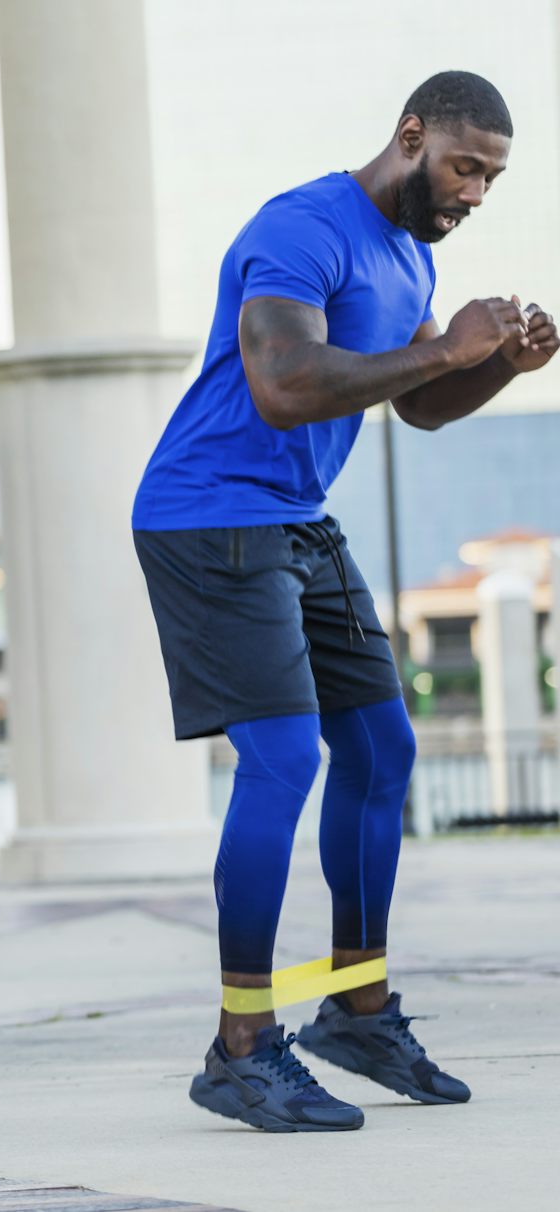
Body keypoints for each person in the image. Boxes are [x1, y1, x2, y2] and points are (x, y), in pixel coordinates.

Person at [132, 70, 553, 1133]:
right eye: (465, 166)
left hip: (295, 518)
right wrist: (446, 344)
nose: (474, 193)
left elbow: (417, 404)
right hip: (207, 514)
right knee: (284, 760)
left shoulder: (410, 256)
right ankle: (240, 1045)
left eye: (493, 178)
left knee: (383, 752)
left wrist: (495, 366)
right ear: (411, 137)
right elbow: (284, 385)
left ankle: (357, 1009)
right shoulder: (302, 227)